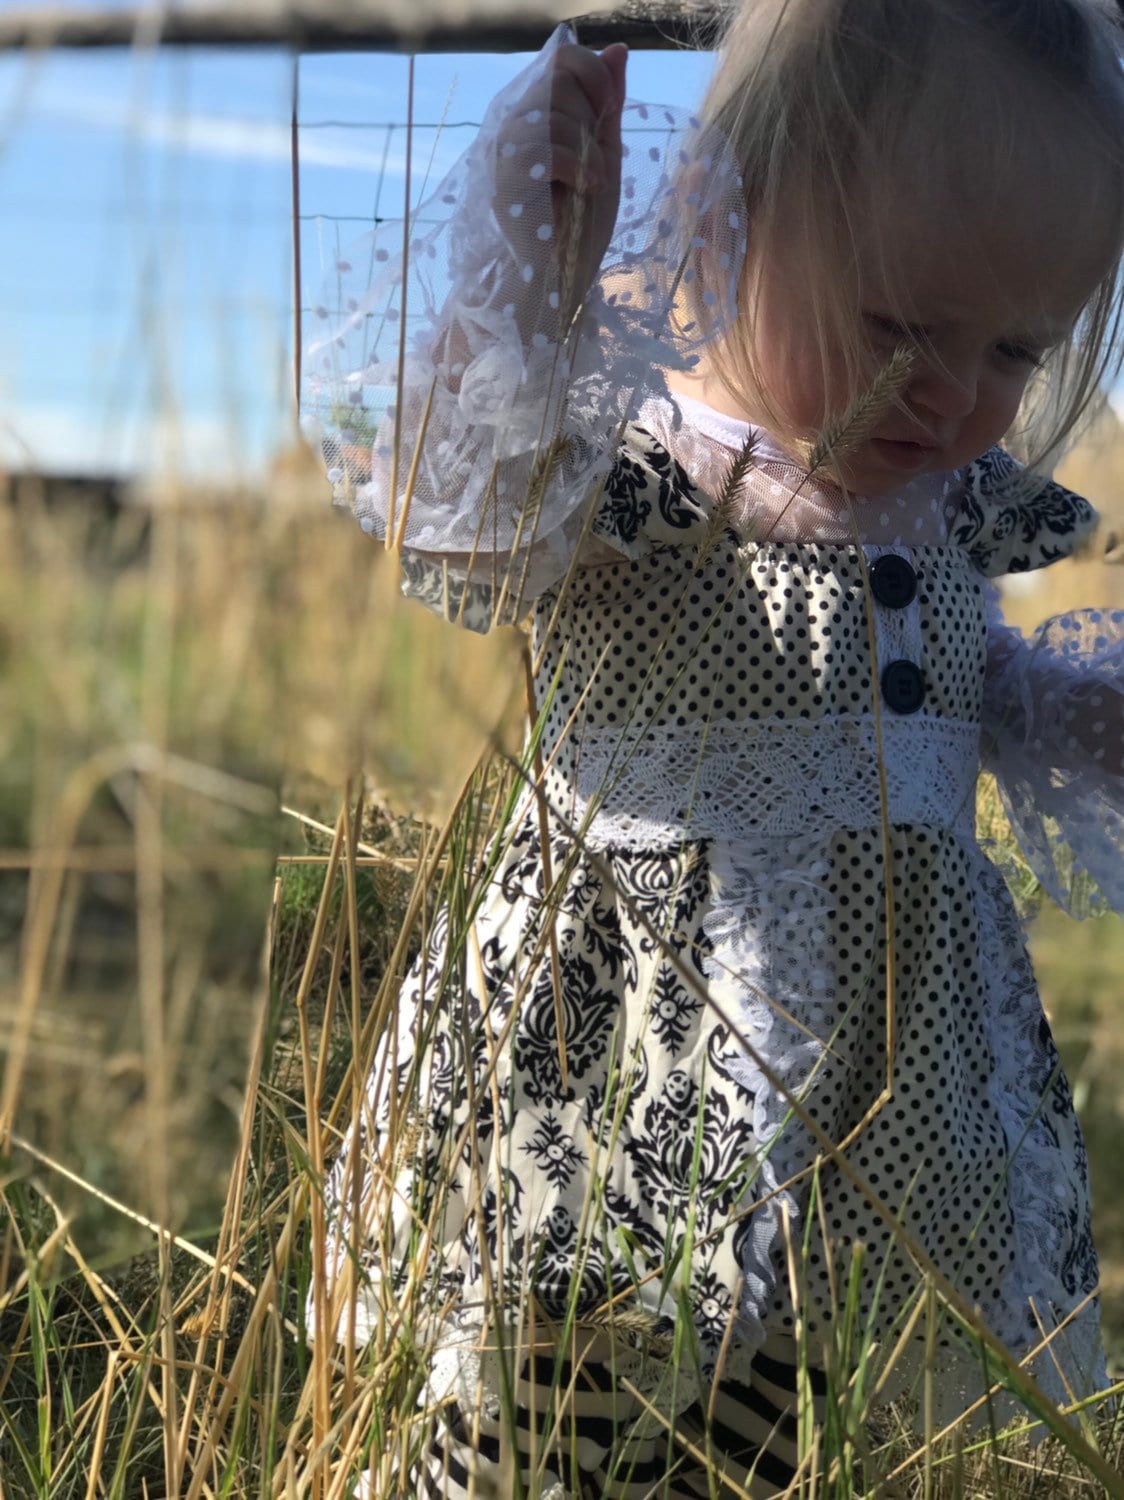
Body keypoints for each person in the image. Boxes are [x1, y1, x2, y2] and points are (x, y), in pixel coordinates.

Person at [304, 1, 1124, 1494]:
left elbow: (970, 685)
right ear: (726, 216)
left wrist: (1083, 714)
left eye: (1015, 347)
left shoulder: (950, 511)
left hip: (895, 1073)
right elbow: (465, 513)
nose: (954, 394)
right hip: (630, 1041)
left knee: (802, 1401)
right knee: (566, 1387)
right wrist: (527, 296)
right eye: (897, 327)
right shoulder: (635, 464)